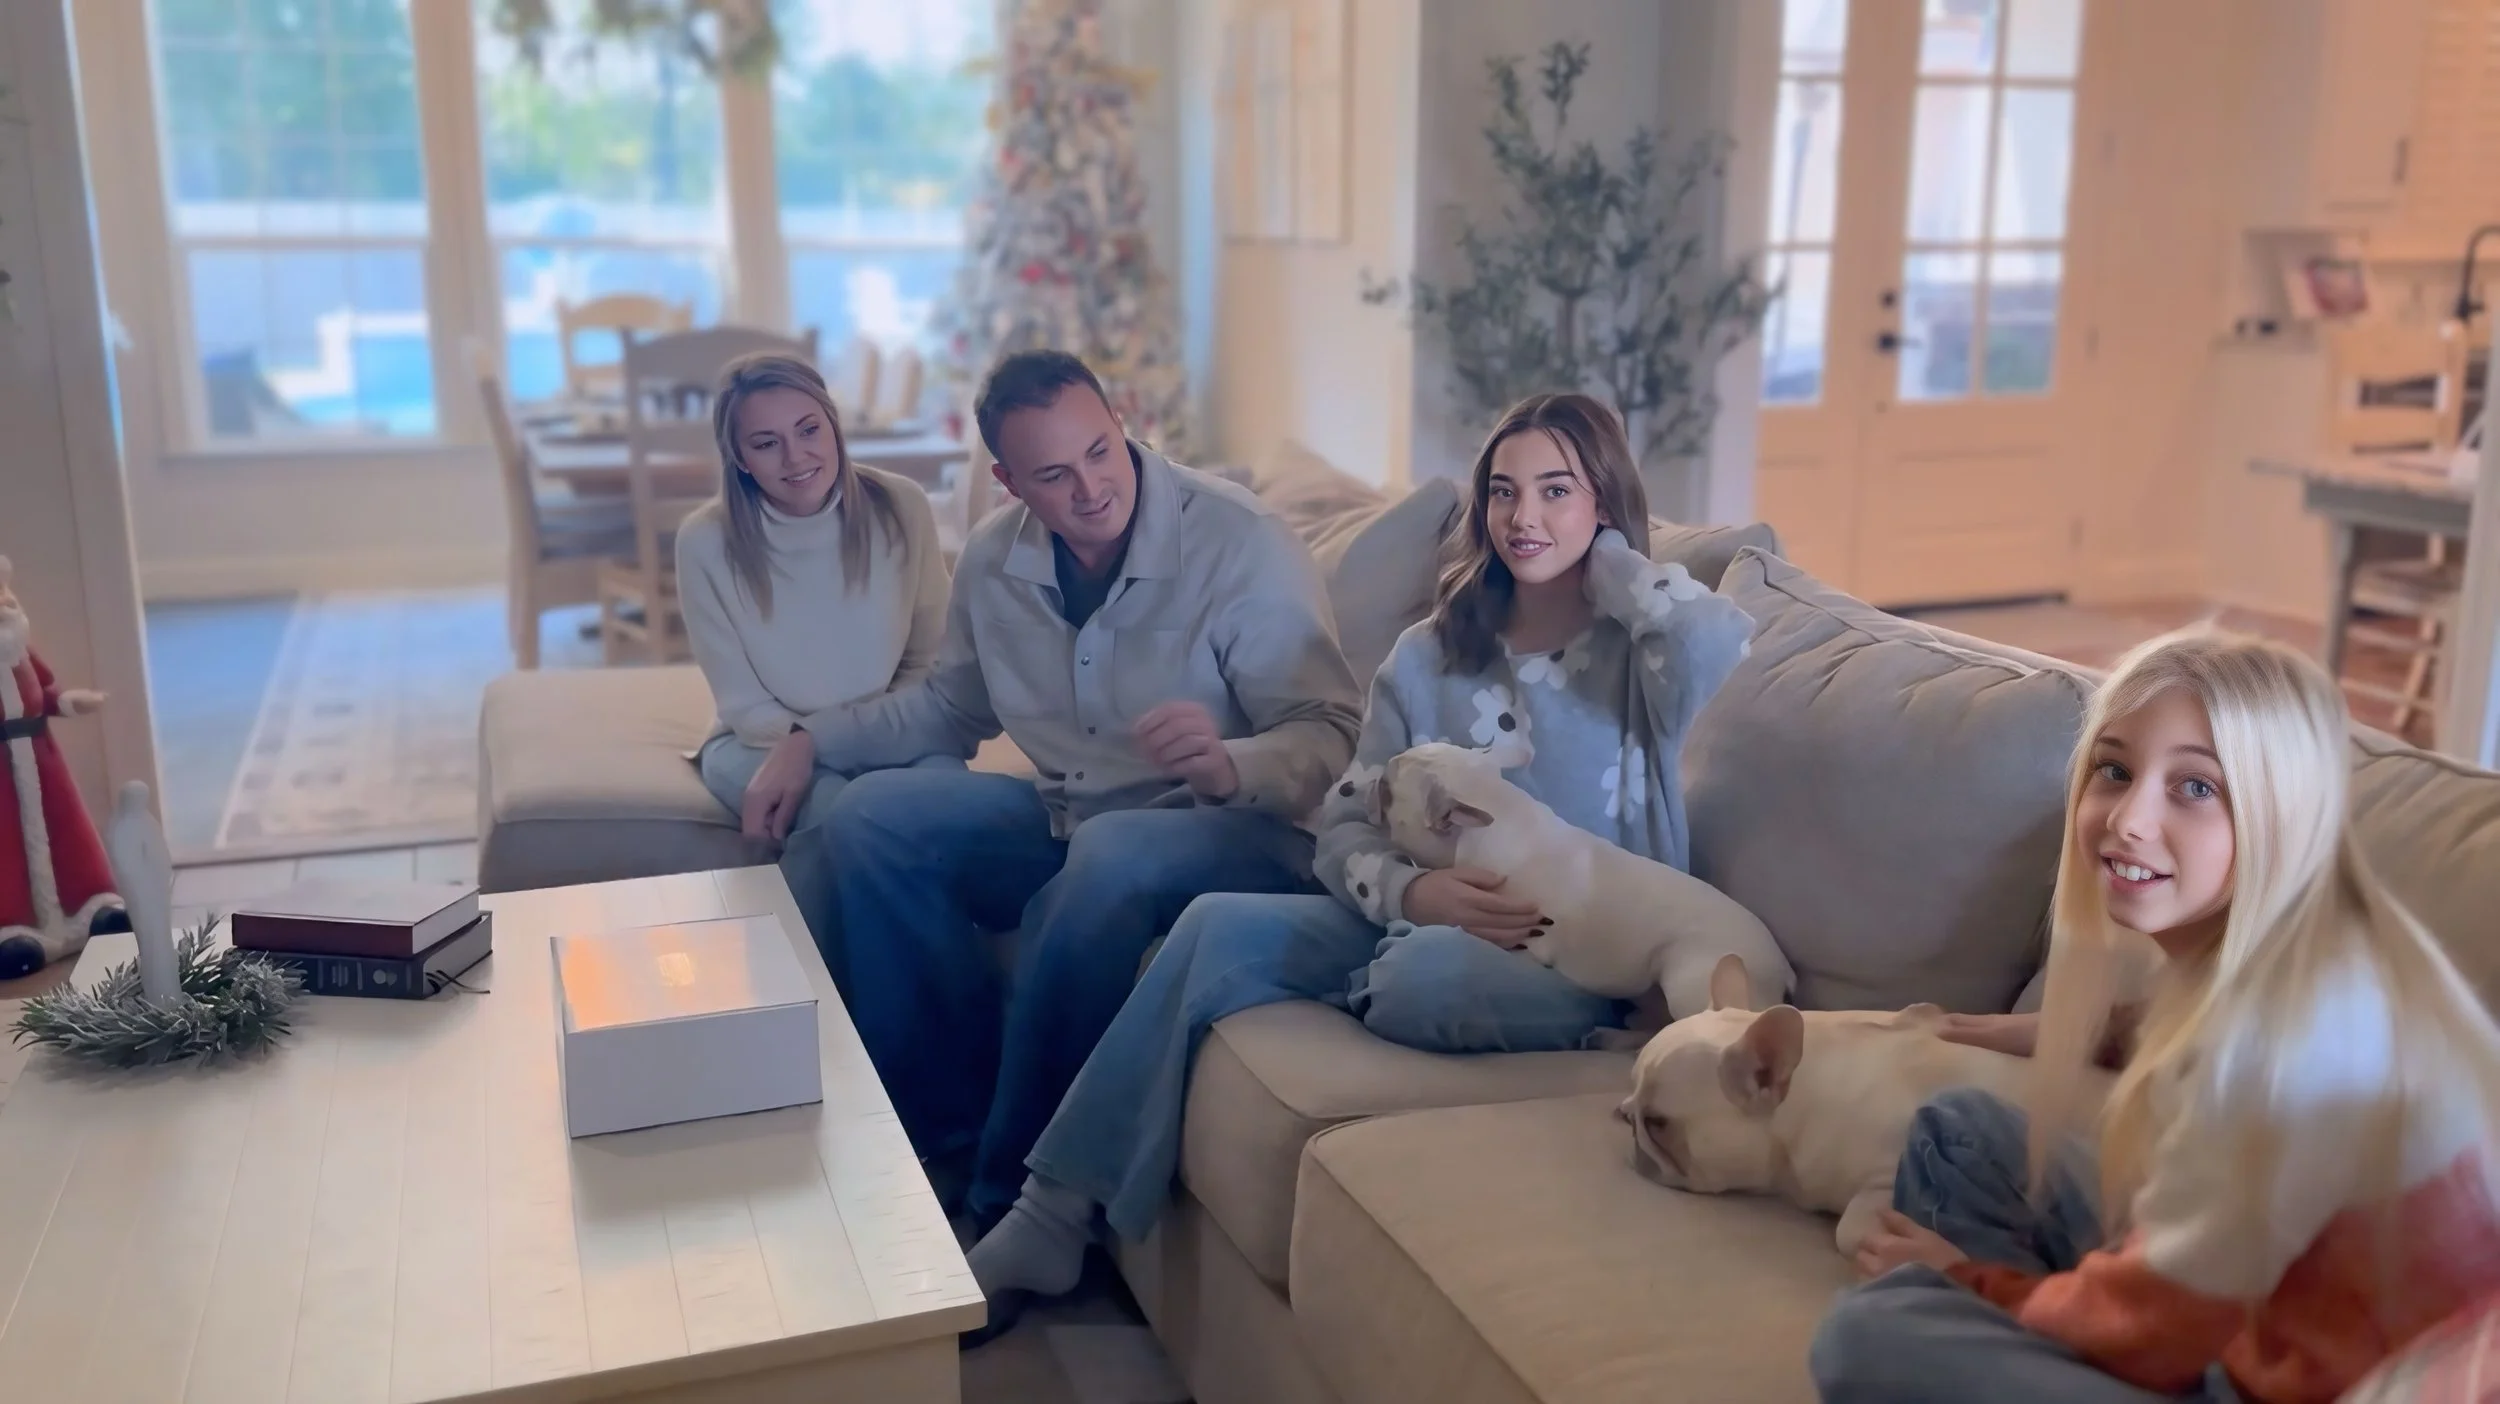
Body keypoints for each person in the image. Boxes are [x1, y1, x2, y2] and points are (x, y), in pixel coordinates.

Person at [964, 391, 1758, 1333]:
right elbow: (1343, 826)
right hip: (1407, 913)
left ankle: (1402, 971)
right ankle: (1051, 1216)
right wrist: (1415, 888)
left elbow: (1722, 643)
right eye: (1503, 492)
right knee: (1220, 924)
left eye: (1557, 490)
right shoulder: (1429, 656)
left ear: (1605, 500)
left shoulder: (1645, 657)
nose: (1524, 518)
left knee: (1425, 980)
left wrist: (1617, 560)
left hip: (1580, 958)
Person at [1812, 629, 2500, 1404]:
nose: (2128, 818)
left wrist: (1969, 1285)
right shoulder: (2331, 953)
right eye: (2114, 770)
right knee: (1962, 1134)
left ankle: (2019, 1344)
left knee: (1868, 1337)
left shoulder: (2275, 1039)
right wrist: (2085, 1031)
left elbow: (2162, 1329)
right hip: (2251, 1310)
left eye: (2196, 788)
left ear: (2280, 813)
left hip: (2307, 1383)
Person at [798, 349, 1361, 1237]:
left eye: (1102, 451)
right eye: (1055, 474)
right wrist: (808, 744)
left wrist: (1230, 764)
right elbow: (951, 709)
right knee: (873, 820)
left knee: (1111, 851)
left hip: (1237, 827)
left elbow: (1332, 732)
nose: (1092, 488)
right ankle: (939, 1136)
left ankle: (1009, 1201)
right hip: (1077, 817)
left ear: (1119, 421)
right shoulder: (991, 562)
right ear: (1007, 480)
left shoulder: (1240, 541)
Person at [675, 353, 955, 937]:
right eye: (766, 442)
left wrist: (853, 740)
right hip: (757, 742)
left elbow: (928, 661)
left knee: (923, 811)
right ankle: (810, 1006)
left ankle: (926, 1015)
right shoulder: (705, 540)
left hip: (890, 730)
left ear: (833, 425)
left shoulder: (902, 507)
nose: (797, 456)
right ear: (740, 460)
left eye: (809, 430)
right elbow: (745, 707)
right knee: (837, 815)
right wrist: (815, 749)